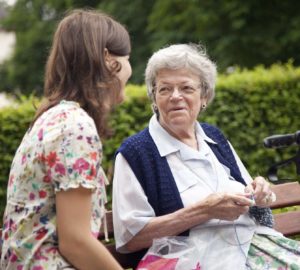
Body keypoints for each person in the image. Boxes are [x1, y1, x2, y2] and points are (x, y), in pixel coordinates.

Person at [112, 44, 300, 269]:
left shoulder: (214, 137)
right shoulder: (136, 153)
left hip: (251, 246)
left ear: (204, 97)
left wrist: (260, 191)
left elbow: (252, 194)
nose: (175, 96)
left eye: (186, 88)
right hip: (194, 260)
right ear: (154, 98)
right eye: (164, 89)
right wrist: (204, 211)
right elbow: (129, 238)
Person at [0, 9, 132, 270]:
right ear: (107, 58)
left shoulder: (51, 118)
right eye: (127, 58)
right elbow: (75, 242)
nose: (131, 67)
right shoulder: (75, 126)